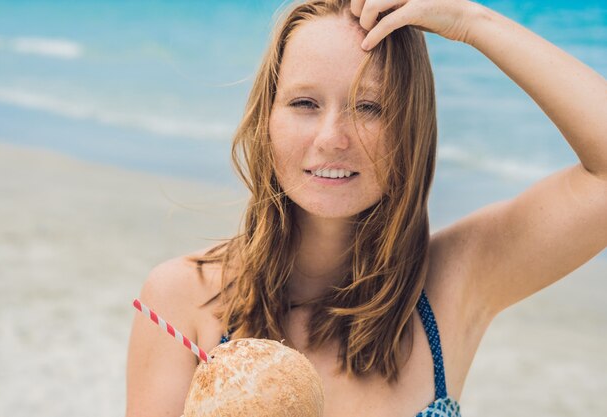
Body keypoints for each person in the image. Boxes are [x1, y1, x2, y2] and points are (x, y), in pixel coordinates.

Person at [125, 0, 607, 416]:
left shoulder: (451, 285)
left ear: (410, 128)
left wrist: (469, 20)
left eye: (369, 107)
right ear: (267, 120)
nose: (333, 138)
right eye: (305, 103)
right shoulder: (184, 301)